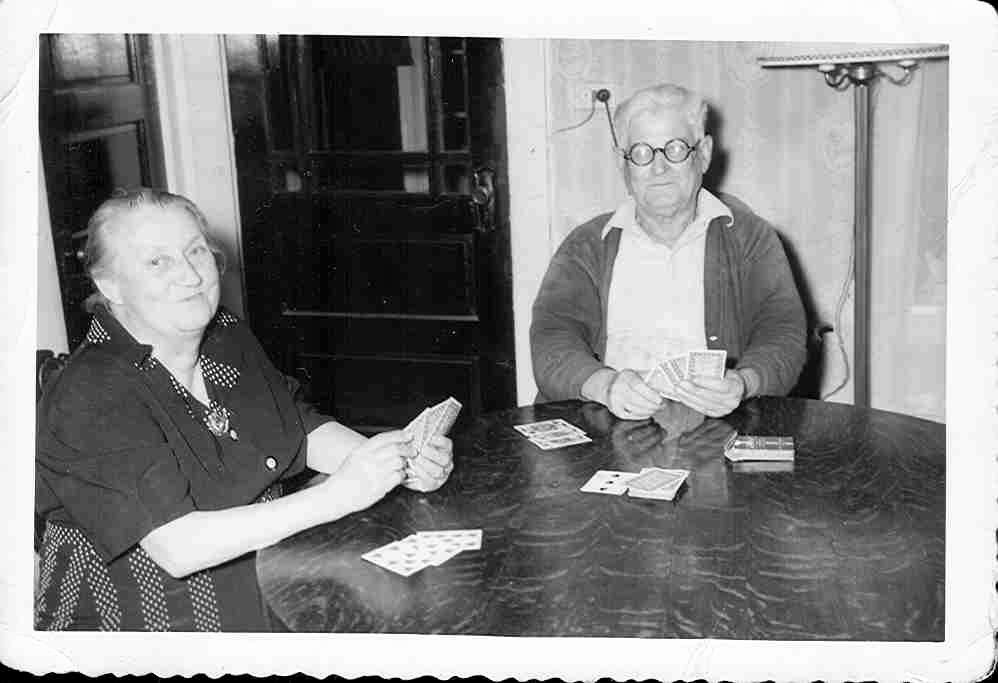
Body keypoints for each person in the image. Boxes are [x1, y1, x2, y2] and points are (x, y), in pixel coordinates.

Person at [35, 188, 454, 631]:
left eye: (195, 251)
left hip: (264, 577)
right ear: (109, 284)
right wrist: (342, 493)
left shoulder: (225, 337)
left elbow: (296, 426)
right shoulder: (90, 390)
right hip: (140, 623)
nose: (191, 276)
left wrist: (398, 458)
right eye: (157, 262)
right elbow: (179, 547)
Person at [531, 83, 806, 420]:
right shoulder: (585, 246)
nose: (659, 169)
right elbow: (551, 337)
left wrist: (744, 383)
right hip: (606, 428)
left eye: (675, 149)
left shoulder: (751, 239)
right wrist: (605, 386)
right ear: (623, 163)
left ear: (703, 154)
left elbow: (784, 332)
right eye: (642, 153)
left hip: (716, 430)